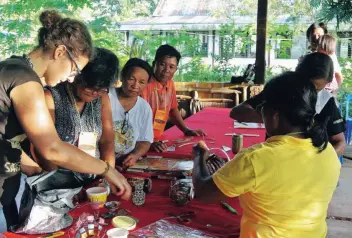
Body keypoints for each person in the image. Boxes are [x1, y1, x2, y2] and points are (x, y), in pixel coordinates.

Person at [0, 10, 130, 232]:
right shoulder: (25, 80)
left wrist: (38, 173)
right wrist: (107, 170)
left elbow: (6, 141)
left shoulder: (12, 68)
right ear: (60, 52)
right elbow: (52, 148)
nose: (71, 78)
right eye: (75, 69)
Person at [193, 72, 340, 238]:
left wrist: (199, 156)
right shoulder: (328, 152)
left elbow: (203, 192)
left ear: (275, 115)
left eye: (261, 108)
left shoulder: (256, 159)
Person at [31, 47, 118, 187]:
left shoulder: (102, 99)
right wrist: (60, 183)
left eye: (101, 89)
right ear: (77, 75)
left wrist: (108, 176)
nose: (95, 93)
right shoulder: (51, 97)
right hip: (58, 184)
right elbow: (43, 151)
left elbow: (107, 141)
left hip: (94, 180)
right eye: (90, 87)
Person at [230, 52, 346, 156]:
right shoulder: (282, 90)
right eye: (307, 87)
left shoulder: (326, 101)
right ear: (296, 77)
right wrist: (272, 116)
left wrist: (323, 160)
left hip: (310, 165)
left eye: (317, 89)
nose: (311, 94)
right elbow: (237, 112)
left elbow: (339, 141)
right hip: (275, 156)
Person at [141, 44, 205, 152]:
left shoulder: (170, 84)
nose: (166, 70)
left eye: (171, 67)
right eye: (162, 64)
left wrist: (186, 130)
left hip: (158, 139)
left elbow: (172, 109)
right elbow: (136, 119)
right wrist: (146, 142)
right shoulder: (144, 84)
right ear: (154, 64)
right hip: (142, 141)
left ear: (176, 69)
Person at [109, 58, 154, 167]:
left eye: (142, 82)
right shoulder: (106, 96)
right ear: (122, 77)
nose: (135, 86)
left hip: (124, 163)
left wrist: (135, 155)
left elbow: (145, 140)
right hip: (99, 162)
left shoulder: (145, 108)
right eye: (131, 79)